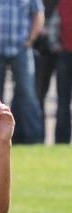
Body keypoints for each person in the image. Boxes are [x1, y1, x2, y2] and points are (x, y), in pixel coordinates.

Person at [0, 0, 45, 145]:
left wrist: (31, 38)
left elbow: (38, 13)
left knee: (27, 93)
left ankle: (33, 138)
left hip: (21, 48)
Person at [54, 0, 72, 144]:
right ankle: (61, 141)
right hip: (65, 54)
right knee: (62, 103)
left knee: (62, 102)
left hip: (65, 53)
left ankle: (61, 141)